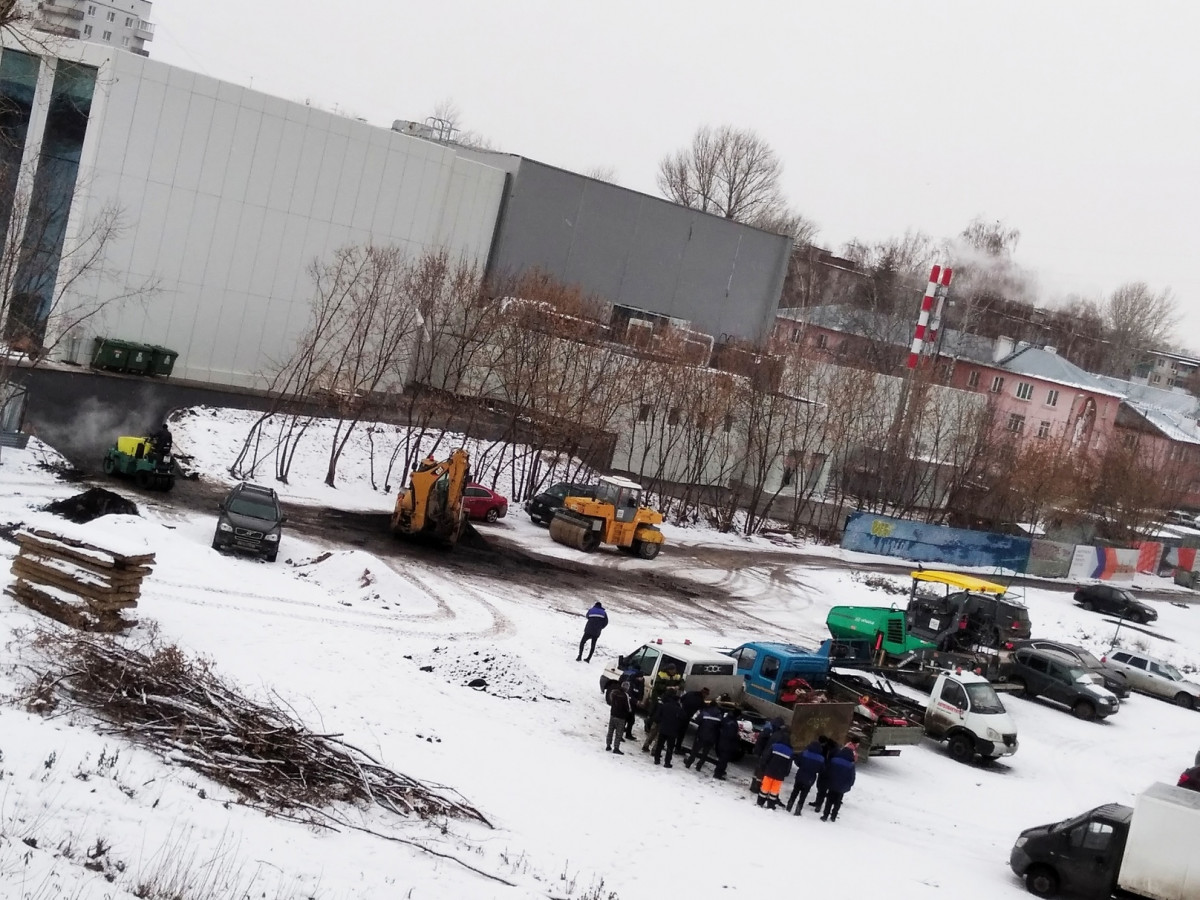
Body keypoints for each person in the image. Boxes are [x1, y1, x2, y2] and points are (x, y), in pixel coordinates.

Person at [787, 740, 827, 814]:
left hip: (800, 775)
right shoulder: (821, 758)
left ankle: (789, 805)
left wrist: (801, 766)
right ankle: (798, 809)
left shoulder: (804, 753)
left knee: (795, 791)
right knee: (803, 794)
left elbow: (797, 762)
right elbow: (822, 770)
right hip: (810, 778)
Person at [684, 699, 724, 771]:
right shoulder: (719, 715)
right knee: (705, 753)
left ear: (710, 705)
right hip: (712, 737)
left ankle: (689, 763)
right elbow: (721, 726)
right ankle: (699, 766)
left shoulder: (704, 712)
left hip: (702, 735)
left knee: (695, 750)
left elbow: (697, 721)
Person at [651, 688, 687, 767]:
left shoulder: (665, 706)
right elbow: (684, 718)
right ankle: (667, 763)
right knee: (670, 748)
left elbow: (657, 717)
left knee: (659, 745)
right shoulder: (679, 709)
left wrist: (662, 722)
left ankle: (657, 759)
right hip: (673, 732)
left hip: (663, 729)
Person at [757, 734, 794, 810]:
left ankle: (760, 802)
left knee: (765, 788)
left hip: (770, 771)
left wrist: (763, 766)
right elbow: (789, 765)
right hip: (779, 775)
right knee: (774, 791)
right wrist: (786, 773)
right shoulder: (790, 751)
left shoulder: (774, 746)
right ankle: (770, 805)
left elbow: (767, 757)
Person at [822, 746, 857, 822]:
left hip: (832, 783)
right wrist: (848, 786)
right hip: (842, 787)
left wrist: (827, 780)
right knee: (837, 802)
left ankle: (825, 815)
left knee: (829, 801)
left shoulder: (834, 760)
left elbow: (828, 770)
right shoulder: (851, 765)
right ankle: (833, 816)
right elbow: (852, 777)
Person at [676, 686, 709, 753]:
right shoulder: (700, 700)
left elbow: (681, 699)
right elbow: (704, 707)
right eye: (707, 695)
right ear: (704, 693)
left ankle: (669, 745)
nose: (706, 696)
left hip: (680, 713)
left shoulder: (690, 693)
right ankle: (677, 748)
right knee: (681, 734)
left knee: (675, 730)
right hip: (686, 717)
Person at [809, 735, 838, 812]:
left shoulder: (833, 750)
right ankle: (817, 802)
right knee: (820, 786)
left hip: (829, 771)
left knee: (823, 788)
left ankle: (818, 805)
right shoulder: (828, 748)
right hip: (823, 770)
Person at [712, 708, 742, 780]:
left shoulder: (726, 718)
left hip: (720, 741)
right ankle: (718, 774)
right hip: (726, 744)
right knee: (723, 760)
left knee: (721, 759)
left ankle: (719, 771)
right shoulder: (733, 723)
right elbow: (731, 735)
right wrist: (737, 737)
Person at [604, 680, 632, 755]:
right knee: (618, 734)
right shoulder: (625, 695)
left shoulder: (614, 692)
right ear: (627, 688)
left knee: (610, 731)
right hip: (621, 717)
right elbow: (628, 708)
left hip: (613, 715)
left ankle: (608, 745)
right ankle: (616, 748)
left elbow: (611, 700)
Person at [621, 664, 645, 739]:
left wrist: (640, 700)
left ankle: (628, 734)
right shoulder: (631, 682)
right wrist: (636, 701)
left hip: (634, 705)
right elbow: (629, 694)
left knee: (631, 720)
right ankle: (620, 734)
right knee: (624, 720)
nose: (642, 678)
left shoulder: (641, 683)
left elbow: (641, 692)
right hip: (628, 703)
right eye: (641, 677)